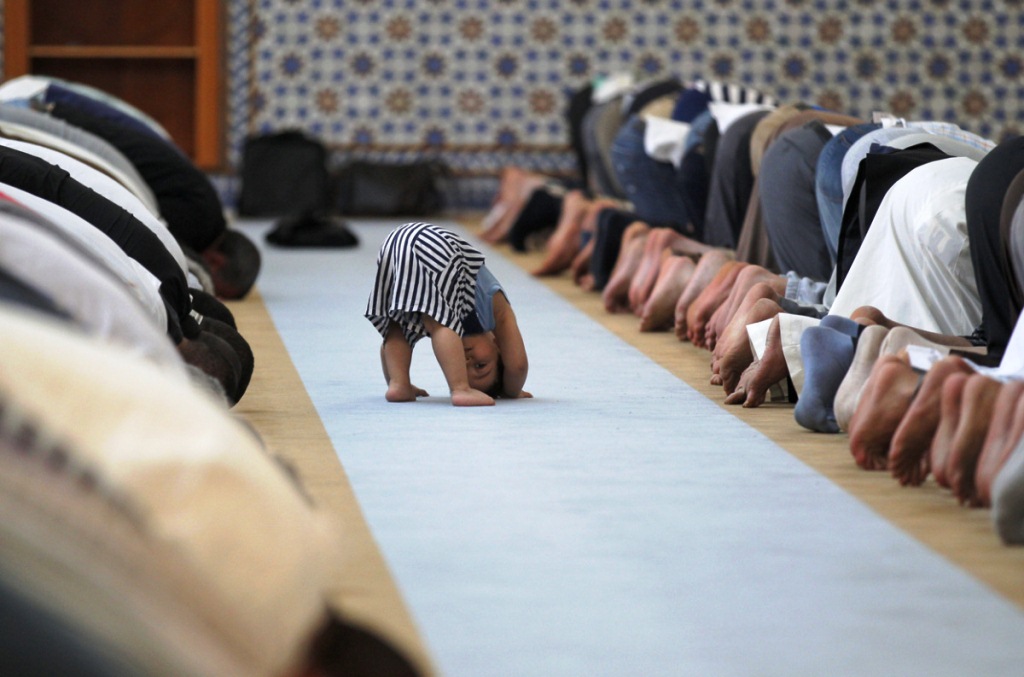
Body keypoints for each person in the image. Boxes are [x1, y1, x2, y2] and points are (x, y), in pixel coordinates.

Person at [366, 223, 530, 406]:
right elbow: (517, 366)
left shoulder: (439, 311)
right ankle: (460, 388)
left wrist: (392, 376)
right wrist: (512, 392)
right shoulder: (494, 309)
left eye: (462, 367)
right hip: (435, 246)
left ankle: (398, 384)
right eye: (481, 365)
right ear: (498, 346)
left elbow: (389, 342)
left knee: (399, 324)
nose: (467, 360)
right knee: (441, 323)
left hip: (395, 242)